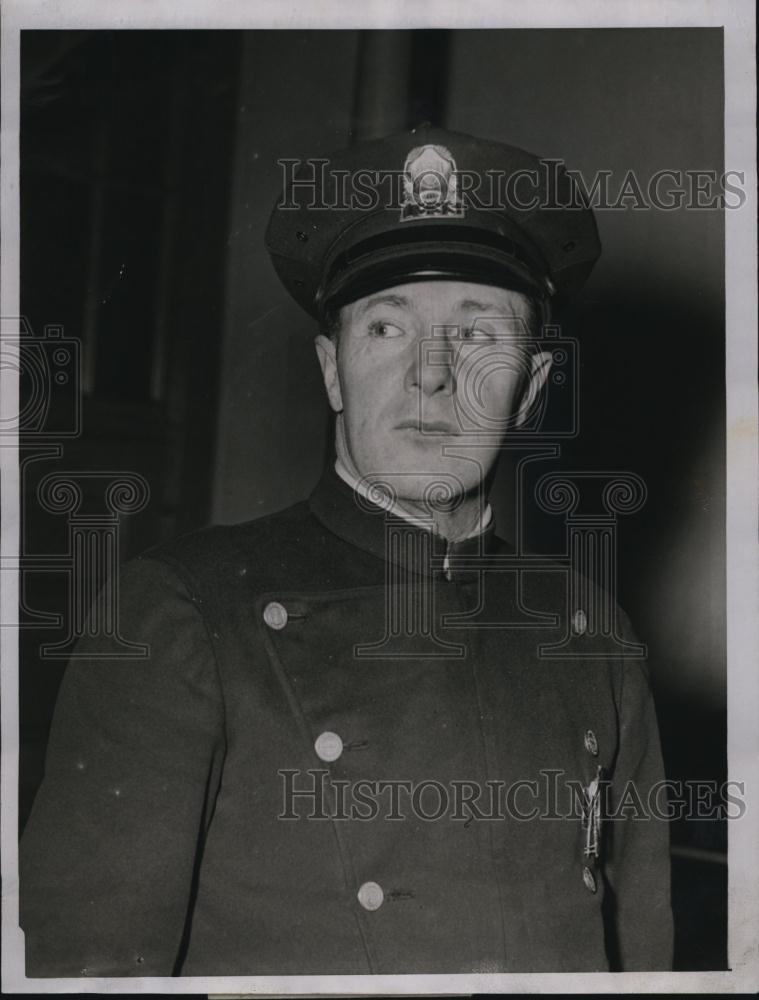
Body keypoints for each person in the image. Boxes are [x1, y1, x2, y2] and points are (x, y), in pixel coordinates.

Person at [20, 125, 673, 976]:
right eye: (387, 328)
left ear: (530, 391)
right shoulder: (182, 613)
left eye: (477, 335)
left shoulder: (591, 634)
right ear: (332, 371)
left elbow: (644, 961)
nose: (430, 374)